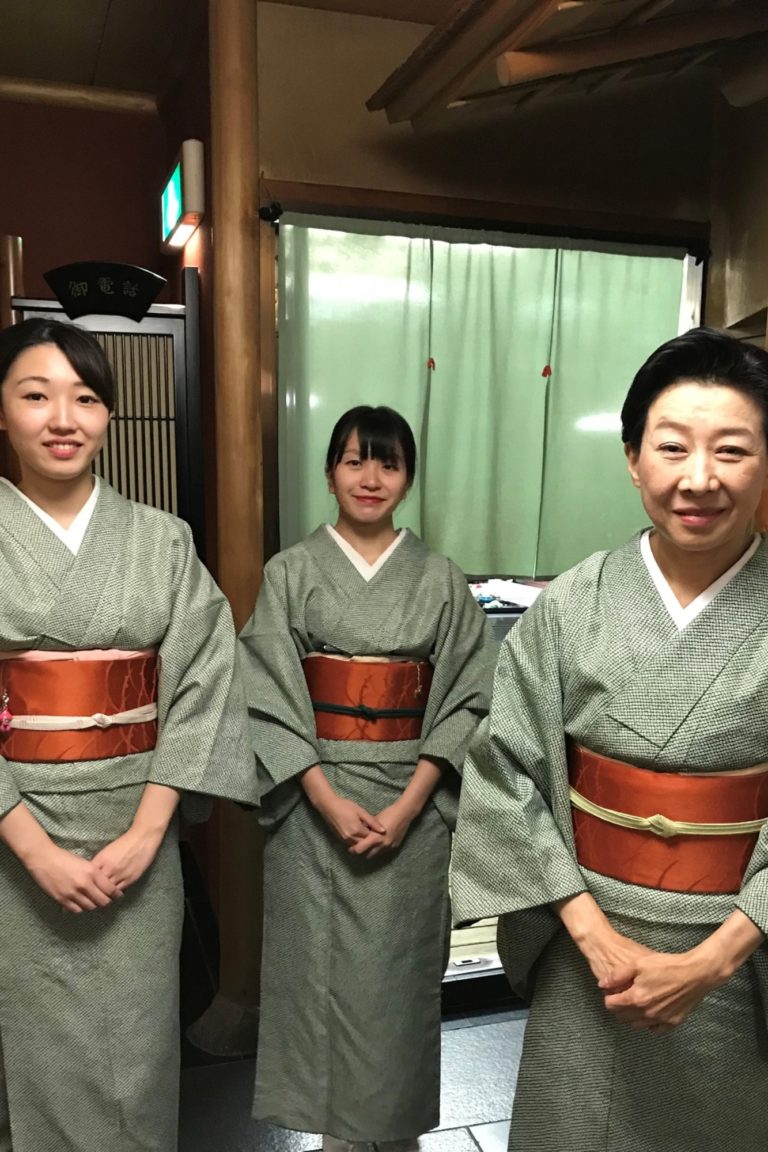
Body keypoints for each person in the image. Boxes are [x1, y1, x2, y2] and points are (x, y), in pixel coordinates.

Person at [451, 326, 768, 1152]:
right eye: (672, 447)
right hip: (584, 955)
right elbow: (505, 775)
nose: (699, 478)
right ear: (634, 458)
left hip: (739, 965)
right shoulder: (568, 607)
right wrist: (590, 931)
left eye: (731, 450)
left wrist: (712, 961)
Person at [0, 318, 257, 1152]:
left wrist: (152, 828)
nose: (62, 417)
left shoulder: (162, 541)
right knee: (37, 1054)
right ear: (1, 412)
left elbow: (206, 680)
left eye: (85, 397)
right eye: (35, 395)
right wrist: (31, 847)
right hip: (14, 844)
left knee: (140, 1055)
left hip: (138, 841)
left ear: (110, 416)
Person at [239, 405, 492, 1150]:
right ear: (329, 472)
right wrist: (320, 792)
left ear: (408, 478)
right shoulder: (290, 574)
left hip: (412, 817)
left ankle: (395, 1136)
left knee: (396, 992)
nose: (370, 477)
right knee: (318, 989)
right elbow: (265, 693)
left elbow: (472, 696)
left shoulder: (442, 581)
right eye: (354, 460)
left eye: (387, 462)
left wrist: (415, 802)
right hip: (313, 819)